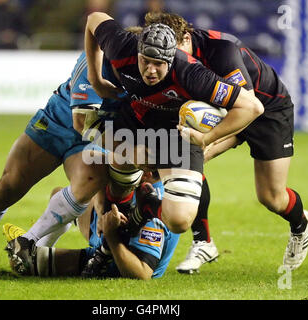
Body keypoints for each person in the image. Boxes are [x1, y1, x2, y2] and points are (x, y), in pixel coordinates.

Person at [80, 11, 264, 275]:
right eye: (145, 61)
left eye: (158, 64)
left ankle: (145, 207)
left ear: (171, 60)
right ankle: (109, 243)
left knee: (179, 221)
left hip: (177, 134)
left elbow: (252, 107)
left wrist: (206, 138)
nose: (150, 70)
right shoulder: (122, 47)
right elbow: (94, 18)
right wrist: (95, 78)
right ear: (138, 51)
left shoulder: (191, 73)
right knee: (105, 151)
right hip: (133, 123)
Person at [145, 12, 308, 272]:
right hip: (222, 110)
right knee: (188, 163)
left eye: (174, 54)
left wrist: (208, 140)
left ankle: (300, 224)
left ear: (186, 38)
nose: (172, 62)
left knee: (271, 197)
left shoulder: (222, 51)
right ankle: (203, 242)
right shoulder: (174, 63)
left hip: (266, 109)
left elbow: (248, 109)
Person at [0, 51, 117, 278]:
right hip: (57, 123)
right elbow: (81, 122)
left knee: (90, 178)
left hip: (92, 138)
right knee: (7, 188)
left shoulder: (145, 81)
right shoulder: (94, 60)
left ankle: (29, 245)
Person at [4, 177, 179, 280]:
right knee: (61, 197)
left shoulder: (153, 210)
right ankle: (40, 244)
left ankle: (36, 250)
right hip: (109, 233)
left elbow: (142, 272)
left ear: (146, 171)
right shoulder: (135, 180)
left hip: (114, 264)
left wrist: (111, 236)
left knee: (23, 263)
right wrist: (100, 206)